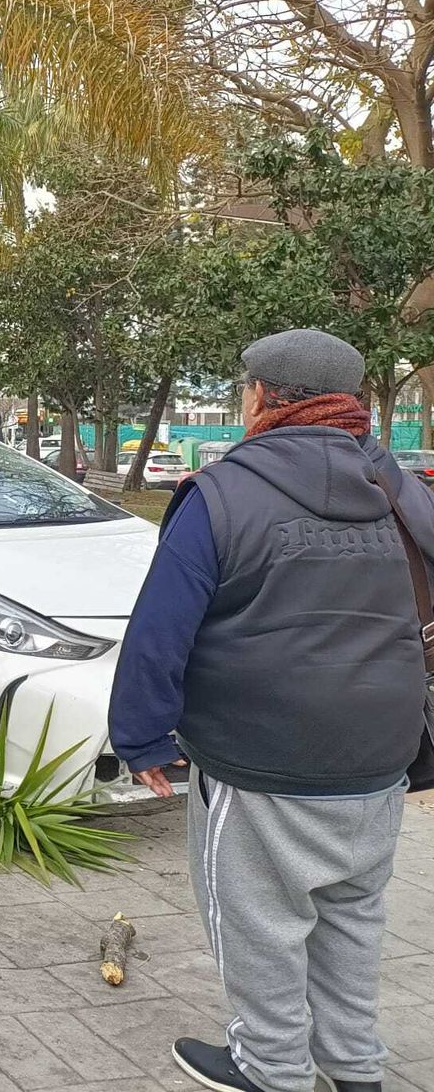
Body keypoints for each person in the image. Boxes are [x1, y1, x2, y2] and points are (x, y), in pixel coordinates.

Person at [109, 328, 429, 1092]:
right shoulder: (398, 487)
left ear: (263, 398)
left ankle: (272, 1070)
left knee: (259, 928)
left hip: (262, 760)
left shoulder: (222, 493)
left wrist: (142, 736)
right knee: (352, 922)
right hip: (381, 755)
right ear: (348, 403)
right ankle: (355, 1071)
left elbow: (161, 628)